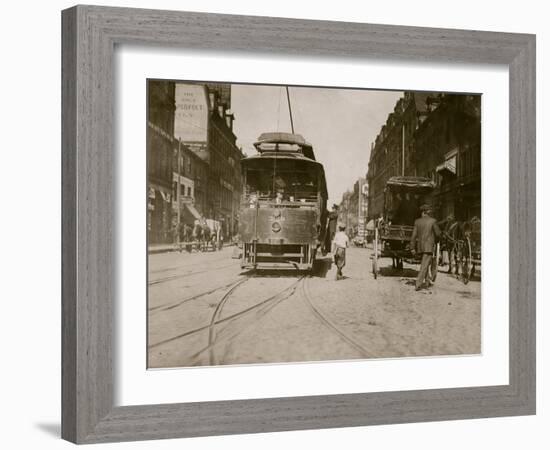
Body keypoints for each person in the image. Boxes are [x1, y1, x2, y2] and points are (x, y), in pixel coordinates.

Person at [410, 204, 441, 291]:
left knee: (425, 264)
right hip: (429, 247)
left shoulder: (417, 221)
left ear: (422, 212)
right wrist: (436, 241)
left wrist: (412, 247)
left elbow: (413, 236)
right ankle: (418, 284)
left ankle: (427, 282)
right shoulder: (433, 221)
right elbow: (438, 234)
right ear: (428, 212)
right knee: (424, 266)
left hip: (420, 247)